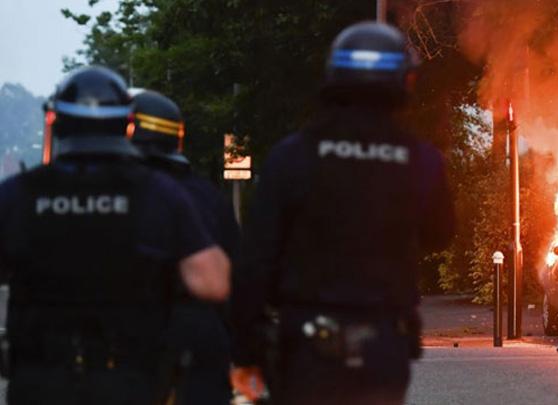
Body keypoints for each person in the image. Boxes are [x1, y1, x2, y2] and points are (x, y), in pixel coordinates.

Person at [232, 22, 454, 405]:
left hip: (307, 343)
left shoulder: (293, 155)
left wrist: (246, 349)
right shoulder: (421, 160)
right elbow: (441, 233)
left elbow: (255, 260)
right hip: (383, 345)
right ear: (404, 80)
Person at [0, 66, 230, 405]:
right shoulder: (160, 193)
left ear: (56, 123)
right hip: (129, 379)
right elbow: (213, 282)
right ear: (127, 125)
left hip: (40, 380)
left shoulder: (19, 194)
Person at [129, 89, 239, 404]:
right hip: (201, 334)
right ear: (177, 137)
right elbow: (237, 272)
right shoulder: (208, 196)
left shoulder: (115, 194)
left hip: (134, 336)